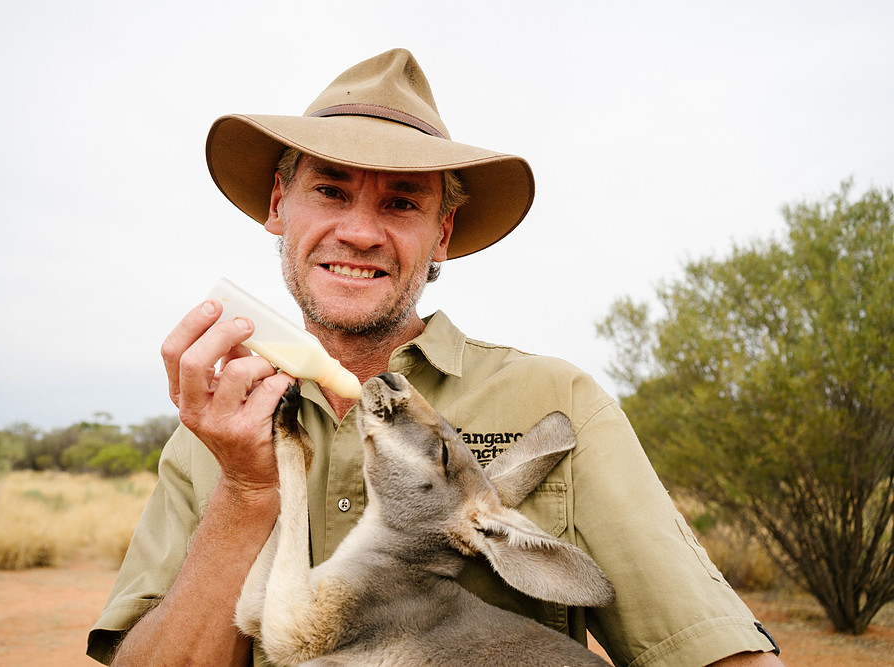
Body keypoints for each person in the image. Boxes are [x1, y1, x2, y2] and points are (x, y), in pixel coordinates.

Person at [87, 48, 783, 666]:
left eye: (400, 202)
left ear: (442, 233)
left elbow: (720, 654)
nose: (359, 231)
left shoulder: (554, 398)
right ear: (279, 204)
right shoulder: (209, 431)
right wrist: (244, 492)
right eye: (330, 189)